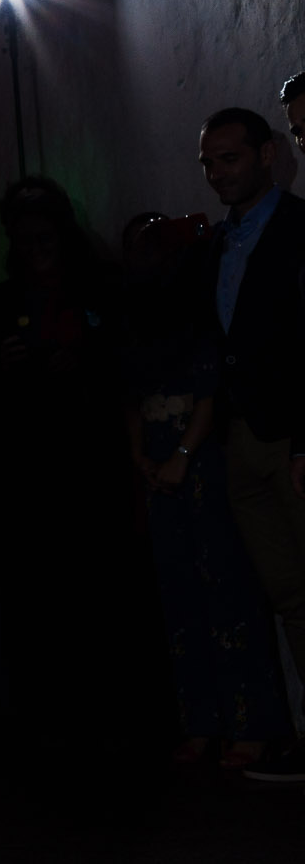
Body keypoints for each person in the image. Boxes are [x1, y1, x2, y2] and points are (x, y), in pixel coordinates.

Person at [0, 177, 165, 783]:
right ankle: (51, 723)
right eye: (24, 237)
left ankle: (112, 718)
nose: (35, 246)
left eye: (44, 234)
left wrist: (82, 360)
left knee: (101, 595)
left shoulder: (99, 293)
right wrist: (1, 370)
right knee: (38, 602)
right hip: (29, 485)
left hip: (91, 473)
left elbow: (132, 370)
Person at [119, 212, 289, 769]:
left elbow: (208, 394)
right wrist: (143, 456)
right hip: (160, 465)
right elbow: (132, 398)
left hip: (199, 460)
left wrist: (182, 456)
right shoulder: (138, 321)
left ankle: (251, 723)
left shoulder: (197, 314)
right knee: (179, 595)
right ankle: (202, 721)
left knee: (227, 590)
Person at [194, 107, 305, 784]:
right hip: (244, 436)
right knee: (289, 593)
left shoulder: (298, 229)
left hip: (291, 436)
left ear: (266, 154)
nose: (217, 173)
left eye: (229, 158)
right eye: (208, 162)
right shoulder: (218, 241)